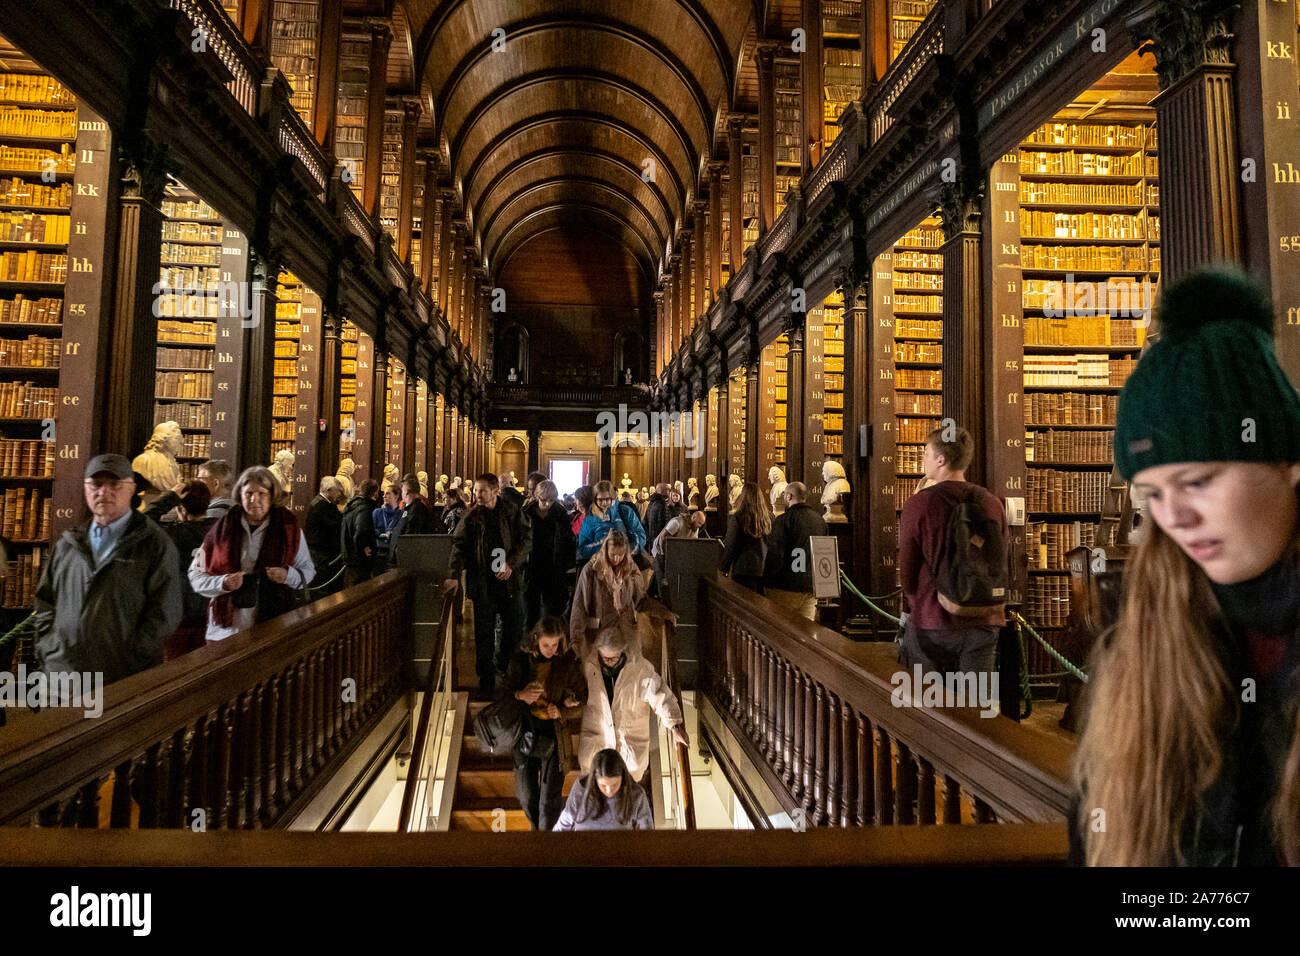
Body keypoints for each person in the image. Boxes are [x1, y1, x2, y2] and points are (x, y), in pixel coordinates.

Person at [1073, 267, 1300, 866]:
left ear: (1286, 461)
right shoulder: (1141, 641)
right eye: (1152, 494)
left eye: (1197, 481)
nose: (1176, 520)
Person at [33, 454, 183, 687]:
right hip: (62, 678)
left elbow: (165, 613)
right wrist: (50, 649)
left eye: (114, 484)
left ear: (131, 488)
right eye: (96, 484)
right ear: (85, 488)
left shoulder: (154, 545)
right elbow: (45, 603)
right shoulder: (68, 545)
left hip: (120, 680)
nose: (103, 492)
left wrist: (132, 659)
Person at [897, 425, 1006, 683]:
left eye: (926, 452)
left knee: (927, 709)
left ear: (940, 459)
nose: (923, 458)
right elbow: (1000, 559)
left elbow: (908, 575)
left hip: (932, 621)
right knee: (975, 713)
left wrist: (917, 604)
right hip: (984, 619)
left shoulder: (919, 504)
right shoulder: (992, 502)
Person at [188, 465, 315, 642]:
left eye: (262, 493)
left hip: (273, 629)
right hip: (225, 631)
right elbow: (195, 575)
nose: (255, 500)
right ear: (240, 495)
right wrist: (222, 583)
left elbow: (308, 571)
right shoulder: (221, 530)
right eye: (248, 493)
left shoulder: (289, 529)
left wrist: (287, 575)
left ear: (272, 496)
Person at [444, 473, 532, 698]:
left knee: (513, 630)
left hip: (509, 584)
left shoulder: (512, 512)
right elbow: (459, 545)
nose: (477, 495)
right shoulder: (472, 516)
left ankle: (502, 667)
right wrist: (453, 574)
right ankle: (486, 680)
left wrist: (511, 564)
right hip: (483, 584)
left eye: (482, 490)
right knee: (483, 634)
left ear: (495, 491)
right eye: (475, 490)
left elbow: (526, 539)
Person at [502, 616, 587, 831]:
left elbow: (582, 698)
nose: (551, 649)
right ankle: (536, 834)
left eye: (555, 644)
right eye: (546, 645)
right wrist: (521, 695)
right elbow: (503, 695)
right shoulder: (520, 661)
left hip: (553, 733)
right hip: (525, 731)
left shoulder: (565, 663)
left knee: (549, 800)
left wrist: (562, 710)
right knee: (527, 795)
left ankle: (544, 844)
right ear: (536, 640)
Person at [578, 626, 687, 783]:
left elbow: (660, 696)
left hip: (629, 748)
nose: (608, 663)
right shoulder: (590, 666)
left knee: (625, 790)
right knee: (595, 785)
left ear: (623, 652)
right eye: (605, 658)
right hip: (596, 743)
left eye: (613, 658)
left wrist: (674, 725)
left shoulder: (640, 670)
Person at [144, 478, 216, 659]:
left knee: (175, 672)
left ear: (180, 508)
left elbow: (140, 524)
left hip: (179, 616)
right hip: (212, 613)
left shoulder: (173, 535)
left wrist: (168, 498)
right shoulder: (221, 531)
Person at [570, 530, 647, 654]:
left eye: (621, 554)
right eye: (613, 554)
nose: (616, 559)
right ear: (605, 551)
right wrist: (576, 639)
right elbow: (579, 606)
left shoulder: (631, 569)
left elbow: (641, 600)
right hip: (600, 633)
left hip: (626, 633)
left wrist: (663, 612)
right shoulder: (591, 570)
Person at [763, 482, 829, 621]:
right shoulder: (820, 521)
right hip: (810, 587)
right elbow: (824, 554)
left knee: (780, 630)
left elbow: (775, 554)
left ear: (789, 496)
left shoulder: (784, 520)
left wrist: (766, 581)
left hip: (785, 587)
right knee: (804, 634)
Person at [552, 748, 654, 831]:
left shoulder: (636, 795)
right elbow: (562, 826)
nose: (609, 791)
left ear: (623, 778)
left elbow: (647, 834)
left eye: (614, 785)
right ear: (594, 780)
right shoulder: (581, 791)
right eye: (603, 786)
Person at [523, 479, 575, 628]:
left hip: (554, 568)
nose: (547, 504)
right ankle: (531, 645)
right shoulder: (526, 514)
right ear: (536, 496)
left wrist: (566, 568)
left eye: (551, 500)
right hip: (531, 567)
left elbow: (568, 543)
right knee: (530, 612)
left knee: (552, 612)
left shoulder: (561, 515)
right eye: (543, 500)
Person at [577, 479, 647, 565]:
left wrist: (622, 553)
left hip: (625, 565)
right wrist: (603, 548)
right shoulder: (590, 517)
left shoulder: (624, 511)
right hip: (599, 566)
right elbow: (583, 547)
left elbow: (640, 536)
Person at [721, 480, 771, 593]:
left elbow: (731, 544)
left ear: (743, 497)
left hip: (743, 569)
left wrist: (723, 567)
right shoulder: (769, 517)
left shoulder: (738, 517)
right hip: (763, 568)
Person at [651, 509, 706, 599]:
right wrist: (665, 555)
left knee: (658, 572)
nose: (700, 526)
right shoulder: (676, 522)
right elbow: (663, 538)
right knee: (661, 574)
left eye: (701, 524)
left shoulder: (695, 527)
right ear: (693, 517)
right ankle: (663, 601)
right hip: (660, 549)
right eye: (699, 523)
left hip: (675, 552)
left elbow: (692, 543)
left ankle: (650, 592)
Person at [305, 476, 345, 592]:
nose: (339, 494)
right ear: (328, 490)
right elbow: (335, 522)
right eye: (337, 491)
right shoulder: (322, 505)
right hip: (320, 554)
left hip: (320, 552)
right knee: (322, 587)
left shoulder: (322, 502)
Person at [388, 474, 436, 563]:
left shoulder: (416, 509)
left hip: (406, 557)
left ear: (407, 492)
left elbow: (411, 534)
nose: (401, 493)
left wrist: (400, 550)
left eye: (402, 490)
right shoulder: (409, 508)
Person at [340, 479, 379, 586]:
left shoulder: (351, 506)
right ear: (375, 492)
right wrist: (363, 550)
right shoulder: (364, 508)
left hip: (349, 556)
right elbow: (361, 532)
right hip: (359, 560)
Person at [371, 486, 402, 568]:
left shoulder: (401, 515)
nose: (384, 496)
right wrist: (379, 534)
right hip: (378, 552)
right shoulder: (377, 512)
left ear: (396, 496)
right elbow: (371, 530)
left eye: (387, 493)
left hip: (394, 554)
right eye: (384, 494)